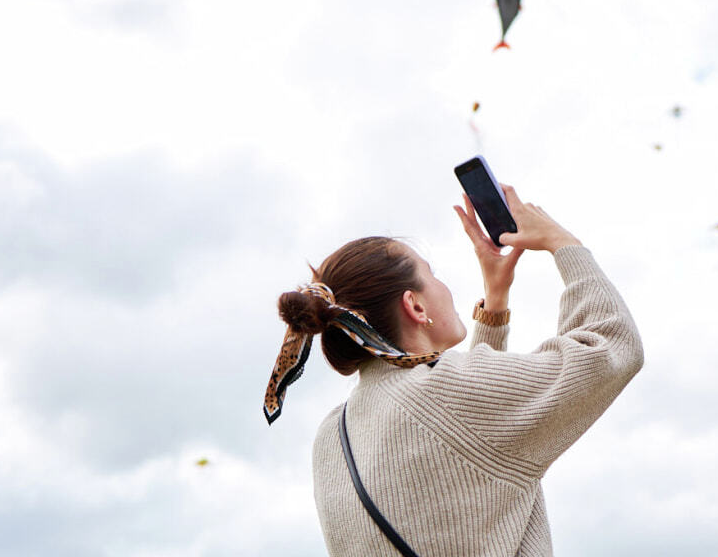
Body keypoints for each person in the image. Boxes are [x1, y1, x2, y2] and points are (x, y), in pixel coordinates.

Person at [264, 185, 644, 556]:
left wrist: (494, 305)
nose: (444, 288)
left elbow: (470, 459)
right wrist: (564, 243)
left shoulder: (332, 435)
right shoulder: (445, 395)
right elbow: (612, 343)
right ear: (414, 306)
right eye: (433, 275)